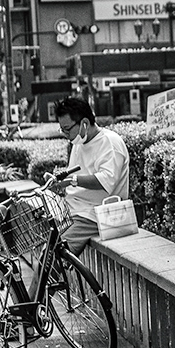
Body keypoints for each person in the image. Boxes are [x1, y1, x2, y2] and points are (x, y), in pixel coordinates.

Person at [50, 97, 130, 256]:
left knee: (53, 257)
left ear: (84, 123)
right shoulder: (78, 143)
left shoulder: (110, 142)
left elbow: (106, 180)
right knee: (44, 244)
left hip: (95, 214)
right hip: (74, 210)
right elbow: (72, 176)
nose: (66, 135)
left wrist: (72, 181)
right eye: (62, 130)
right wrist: (59, 182)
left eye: (67, 129)